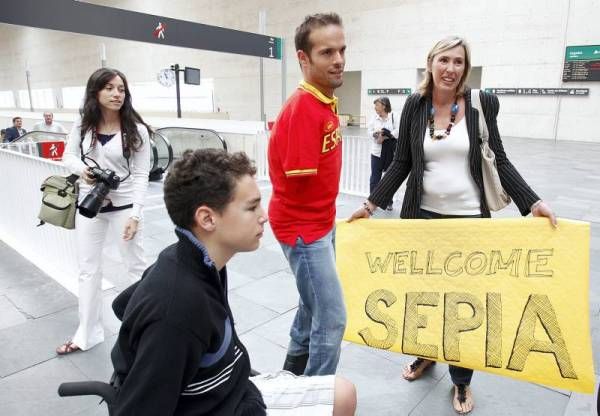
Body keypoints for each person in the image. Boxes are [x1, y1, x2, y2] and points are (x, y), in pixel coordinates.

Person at [349, 36, 557, 414]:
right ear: (430, 63)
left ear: (466, 66)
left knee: (465, 306)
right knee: (425, 299)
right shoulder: (415, 105)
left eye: (459, 62)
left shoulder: (481, 104)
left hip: (469, 225)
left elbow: (501, 160)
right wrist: (370, 203)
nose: (451, 68)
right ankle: (427, 355)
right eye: (444, 60)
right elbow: (401, 164)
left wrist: (534, 202)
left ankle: (460, 382)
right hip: (422, 221)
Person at [110, 149, 357, 416]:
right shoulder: (178, 308)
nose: (264, 215)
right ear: (207, 218)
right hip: (223, 405)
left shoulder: (195, 259)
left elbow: (122, 304)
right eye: (252, 207)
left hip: (233, 389)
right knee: (342, 397)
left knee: (342, 394)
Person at [268, 12, 347, 377]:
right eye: (327, 52)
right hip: (305, 229)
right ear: (304, 58)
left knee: (309, 305)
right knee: (331, 320)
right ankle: (313, 401)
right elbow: (296, 185)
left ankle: (291, 374)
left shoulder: (322, 101)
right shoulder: (303, 109)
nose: (339, 60)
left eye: (342, 50)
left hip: (320, 222)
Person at [56, 68, 151, 355]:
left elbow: (142, 174)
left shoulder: (137, 130)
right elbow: (67, 156)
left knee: (136, 268)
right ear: (95, 92)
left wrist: (135, 214)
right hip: (90, 206)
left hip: (124, 208)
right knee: (88, 270)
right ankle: (87, 333)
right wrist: (82, 170)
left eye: (121, 89)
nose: (116, 94)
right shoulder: (83, 125)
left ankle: (146, 332)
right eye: (109, 88)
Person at [367, 96, 399, 210]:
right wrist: (376, 134)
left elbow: (398, 131)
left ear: (384, 106)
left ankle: (388, 201)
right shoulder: (374, 118)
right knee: (375, 178)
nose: (375, 107)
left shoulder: (394, 116)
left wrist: (385, 136)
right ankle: (372, 201)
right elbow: (369, 131)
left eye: (377, 105)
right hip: (376, 152)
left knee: (389, 178)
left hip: (390, 152)